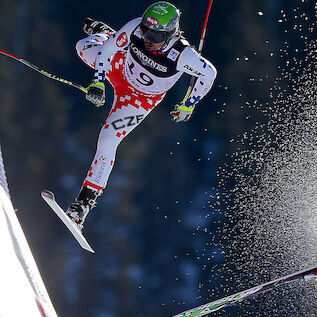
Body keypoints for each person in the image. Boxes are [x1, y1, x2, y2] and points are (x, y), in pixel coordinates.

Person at [67, 1, 217, 228]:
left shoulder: (183, 55)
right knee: (83, 46)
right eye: (147, 31)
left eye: (156, 36)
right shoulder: (136, 27)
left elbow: (209, 74)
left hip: (139, 100)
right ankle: (108, 33)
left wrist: (189, 104)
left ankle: (83, 205)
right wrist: (98, 83)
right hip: (119, 68)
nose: (148, 39)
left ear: (171, 33)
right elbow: (108, 51)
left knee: (108, 138)